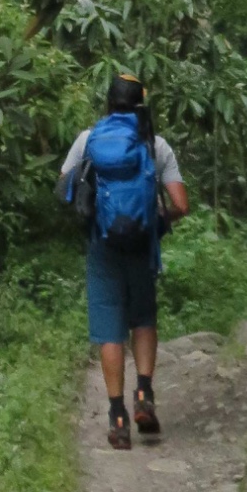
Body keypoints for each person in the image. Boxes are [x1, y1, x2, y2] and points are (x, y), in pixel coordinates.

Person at [63, 74, 190, 449]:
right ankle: (144, 395)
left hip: (102, 245)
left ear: (108, 104)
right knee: (143, 317)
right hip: (141, 245)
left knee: (108, 328)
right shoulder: (156, 145)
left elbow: (66, 186)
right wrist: (154, 220)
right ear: (141, 106)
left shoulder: (88, 140)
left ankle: (117, 416)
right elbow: (181, 204)